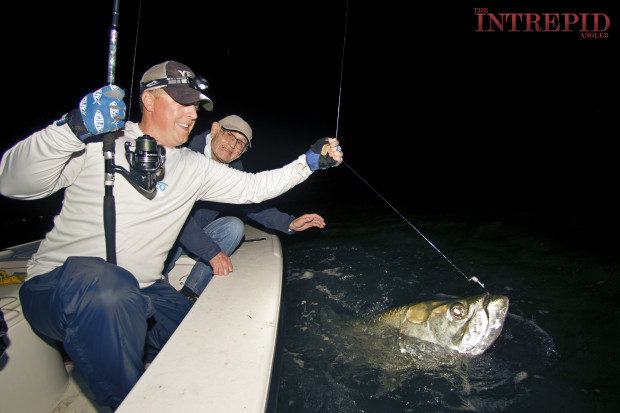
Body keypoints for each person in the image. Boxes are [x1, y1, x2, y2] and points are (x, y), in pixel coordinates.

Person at [0, 60, 342, 409]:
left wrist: (309, 162)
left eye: (195, 104)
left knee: (211, 345)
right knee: (108, 288)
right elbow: (12, 183)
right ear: (149, 100)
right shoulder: (98, 141)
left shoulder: (193, 166)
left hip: (145, 289)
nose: (191, 112)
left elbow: (254, 189)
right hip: (56, 287)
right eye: (181, 100)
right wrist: (71, 129)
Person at [165, 114, 327, 300]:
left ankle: (191, 292)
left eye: (241, 143)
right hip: (169, 231)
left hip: (197, 232)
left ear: (243, 151)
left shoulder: (233, 167)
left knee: (234, 227)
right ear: (215, 129)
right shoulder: (184, 153)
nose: (233, 145)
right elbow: (173, 215)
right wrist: (212, 252)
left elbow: (252, 201)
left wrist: (290, 223)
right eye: (230, 136)